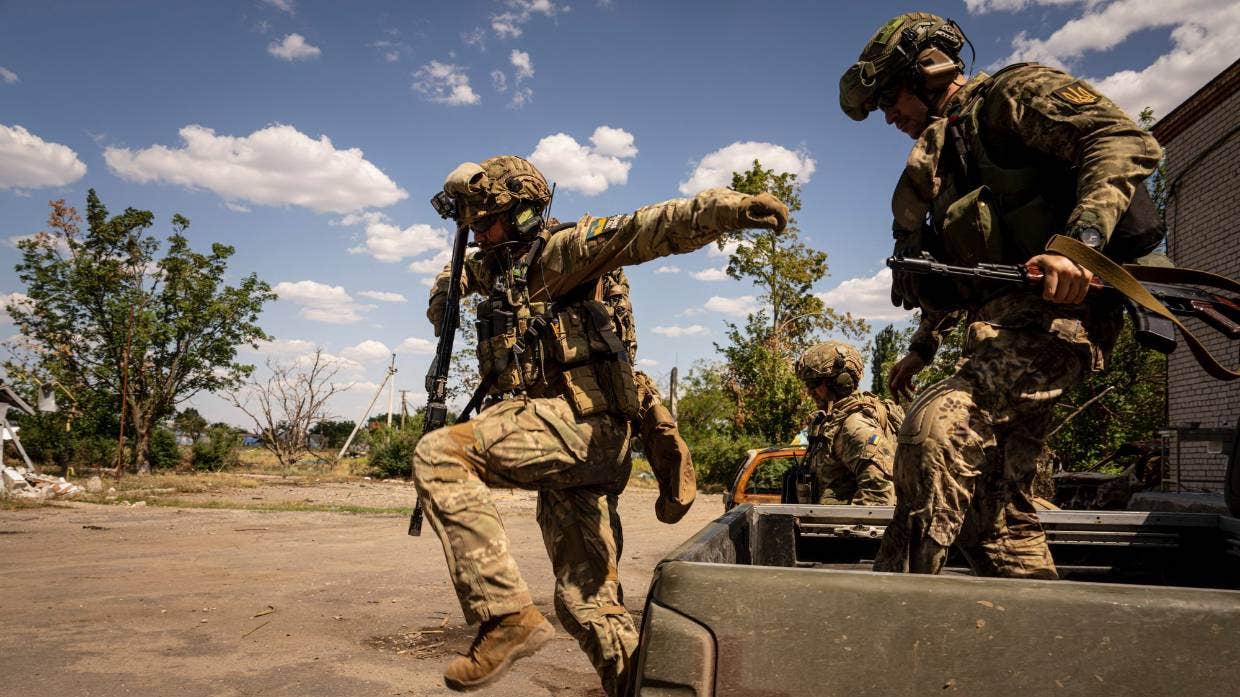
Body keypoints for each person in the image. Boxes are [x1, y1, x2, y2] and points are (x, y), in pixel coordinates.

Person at [414, 155, 786, 694]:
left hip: (585, 429)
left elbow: (648, 228)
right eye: (469, 223)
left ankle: (505, 617)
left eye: (485, 219)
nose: (476, 232)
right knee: (586, 604)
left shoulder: (564, 252)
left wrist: (728, 209)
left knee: (440, 453)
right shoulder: (496, 267)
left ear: (521, 210)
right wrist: (443, 294)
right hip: (563, 447)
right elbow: (452, 279)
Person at [839, 13, 1162, 578]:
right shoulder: (940, 164)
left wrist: (1077, 248)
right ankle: (1038, 638)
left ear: (928, 71)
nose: (889, 115)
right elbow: (955, 274)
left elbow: (1120, 140)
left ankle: (889, 615)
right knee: (992, 515)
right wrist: (922, 345)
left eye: (892, 98)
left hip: (1064, 319)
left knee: (936, 429)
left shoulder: (1010, 96)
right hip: (999, 330)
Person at [795, 341, 901, 506]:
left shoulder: (855, 426)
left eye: (813, 383)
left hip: (845, 530)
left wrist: (846, 528)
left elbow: (879, 498)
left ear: (840, 381)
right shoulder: (833, 420)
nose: (809, 391)